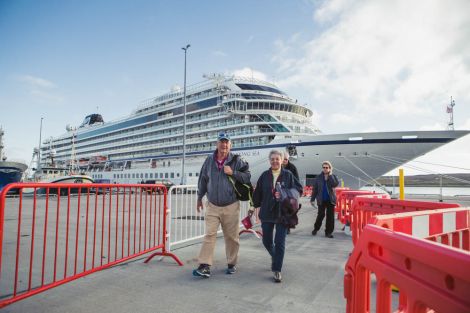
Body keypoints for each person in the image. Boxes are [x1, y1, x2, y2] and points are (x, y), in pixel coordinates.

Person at [193, 132, 251, 278]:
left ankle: (232, 263)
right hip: (212, 204)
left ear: (230, 145)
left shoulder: (237, 161)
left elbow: (247, 176)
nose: (224, 145)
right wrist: (199, 197)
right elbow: (203, 179)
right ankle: (204, 265)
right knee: (209, 235)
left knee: (231, 237)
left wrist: (233, 173)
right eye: (221, 142)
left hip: (231, 205)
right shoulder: (209, 160)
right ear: (217, 144)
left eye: (226, 142)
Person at [251, 150, 302, 283]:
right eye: (272, 159)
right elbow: (258, 194)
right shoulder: (264, 175)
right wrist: (252, 207)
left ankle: (277, 269)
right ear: (269, 161)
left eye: (277, 159)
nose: (275, 161)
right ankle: (276, 257)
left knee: (280, 242)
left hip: (283, 213)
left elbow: (298, 190)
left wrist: (285, 193)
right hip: (267, 212)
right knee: (266, 241)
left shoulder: (288, 175)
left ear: (282, 160)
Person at [310, 161, 339, 238]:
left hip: (330, 200)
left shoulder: (333, 176)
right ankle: (316, 228)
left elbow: (335, 184)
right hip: (321, 199)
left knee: (330, 217)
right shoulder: (318, 177)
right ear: (322, 168)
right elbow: (315, 189)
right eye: (324, 167)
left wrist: (330, 176)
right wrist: (312, 199)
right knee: (321, 215)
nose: (325, 169)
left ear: (330, 168)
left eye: (327, 167)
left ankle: (328, 232)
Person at [282, 151, 302, 234]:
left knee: (289, 211)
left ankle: (288, 227)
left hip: (290, 193)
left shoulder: (292, 167)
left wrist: (296, 192)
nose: (284, 161)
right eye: (283, 159)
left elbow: (297, 180)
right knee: (283, 211)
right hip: (281, 193)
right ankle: (285, 227)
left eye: (286, 159)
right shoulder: (277, 166)